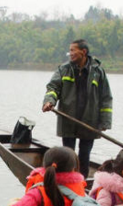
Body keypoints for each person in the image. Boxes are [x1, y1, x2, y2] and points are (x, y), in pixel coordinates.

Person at [42, 39, 113, 178]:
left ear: (83, 52)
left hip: (89, 121)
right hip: (68, 119)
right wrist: (49, 101)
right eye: (70, 50)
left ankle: (82, 181)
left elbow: (106, 97)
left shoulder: (98, 72)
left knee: (84, 154)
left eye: (73, 50)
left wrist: (105, 122)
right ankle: (66, 178)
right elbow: (53, 87)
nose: (70, 53)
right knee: (68, 153)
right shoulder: (64, 69)